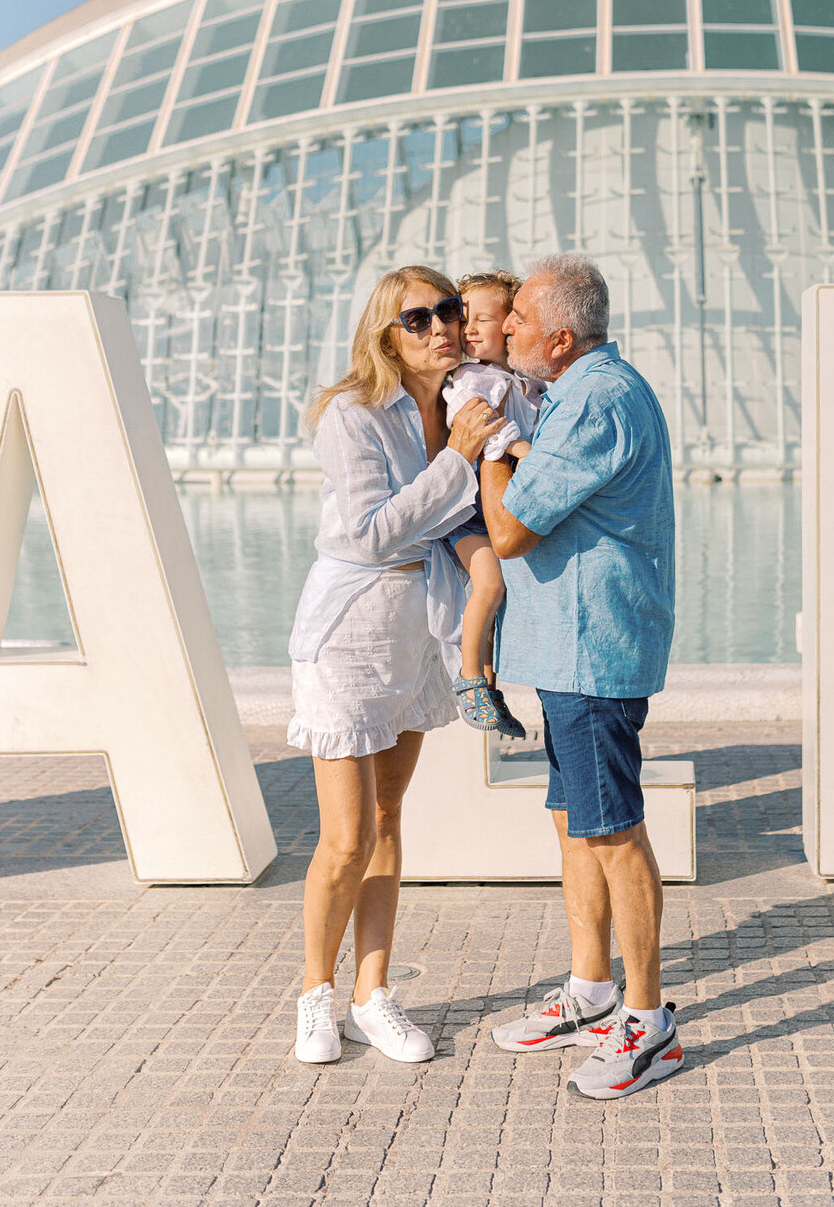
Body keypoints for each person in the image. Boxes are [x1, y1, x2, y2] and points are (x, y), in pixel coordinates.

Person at [286, 265, 506, 1066]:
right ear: (388, 333)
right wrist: (456, 460)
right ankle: (316, 995)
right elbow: (374, 535)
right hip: (352, 630)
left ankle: (373, 994)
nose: (443, 327)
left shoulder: (459, 400)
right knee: (344, 837)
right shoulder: (349, 414)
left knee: (386, 822)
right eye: (420, 318)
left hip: (419, 628)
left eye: (450, 312)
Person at [478, 253, 683, 1099]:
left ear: (561, 338)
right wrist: (523, 441)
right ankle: (593, 991)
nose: (504, 329)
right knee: (574, 820)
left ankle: (649, 1022)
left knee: (612, 830)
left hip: (591, 649)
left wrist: (487, 450)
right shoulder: (584, 391)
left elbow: (513, 531)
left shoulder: (596, 396)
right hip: (568, 648)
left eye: (519, 318)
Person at [442, 270, 543, 738]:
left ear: (510, 325)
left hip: (494, 509)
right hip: (467, 513)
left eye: (484, 318)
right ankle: (469, 681)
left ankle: (490, 687)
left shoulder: (522, 380)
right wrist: (527, 452)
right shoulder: (470, 378)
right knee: (489, 585)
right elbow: (483, 424)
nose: (470, 329)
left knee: (500, 599)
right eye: (465, 319)